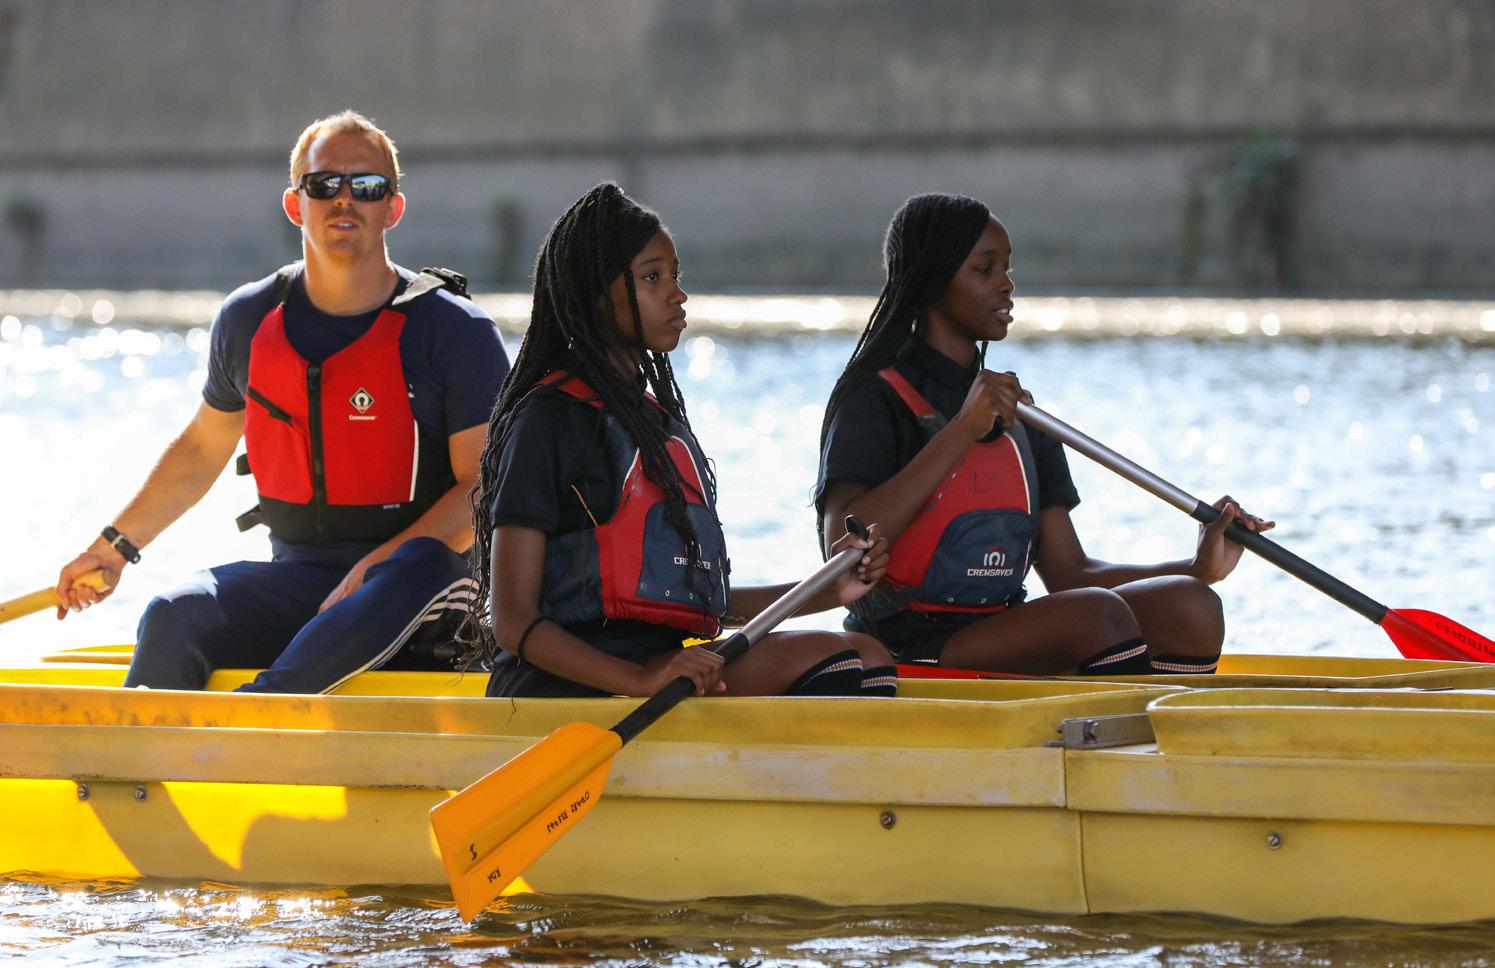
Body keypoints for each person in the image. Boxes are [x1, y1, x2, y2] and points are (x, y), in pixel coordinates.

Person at [54, 110, 510, 693]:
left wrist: (375, 567)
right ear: (295, 205)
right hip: (302, 583)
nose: (345, 199)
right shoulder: (247, 319)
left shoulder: (455, 330)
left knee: (419, 564)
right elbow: (201, 449)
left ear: (393, 208)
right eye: (324, 184)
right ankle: (141, 752)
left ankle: (260, 710)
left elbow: (482, 490)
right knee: (171, 615)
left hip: (423, 593)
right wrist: (114, 549)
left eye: (367, 186)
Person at [464, 182, 895, 699]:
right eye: (652, 277)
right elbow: (511, 621)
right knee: (831, 659)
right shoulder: (547, 420)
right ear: (595, 293)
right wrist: (640, 680)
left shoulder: (655, 422)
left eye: (675, 275)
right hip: (568, 684)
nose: (677, 294)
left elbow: (698, 601)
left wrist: (828, 588)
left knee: (870, 654)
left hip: (658, 667)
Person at [815, 192, 1273, 676]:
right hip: (908, 645)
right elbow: (839, 548)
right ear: (932, 278)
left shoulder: (1020, 416)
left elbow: (1071, 574)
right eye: (985, 269)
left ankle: (1145, 713)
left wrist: (1198, 568)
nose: (1007, 284)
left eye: (1007, 268)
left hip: (1004, 629)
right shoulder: (874, 398)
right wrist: (962, 431)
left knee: (1193, 607)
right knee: (1096, 617)